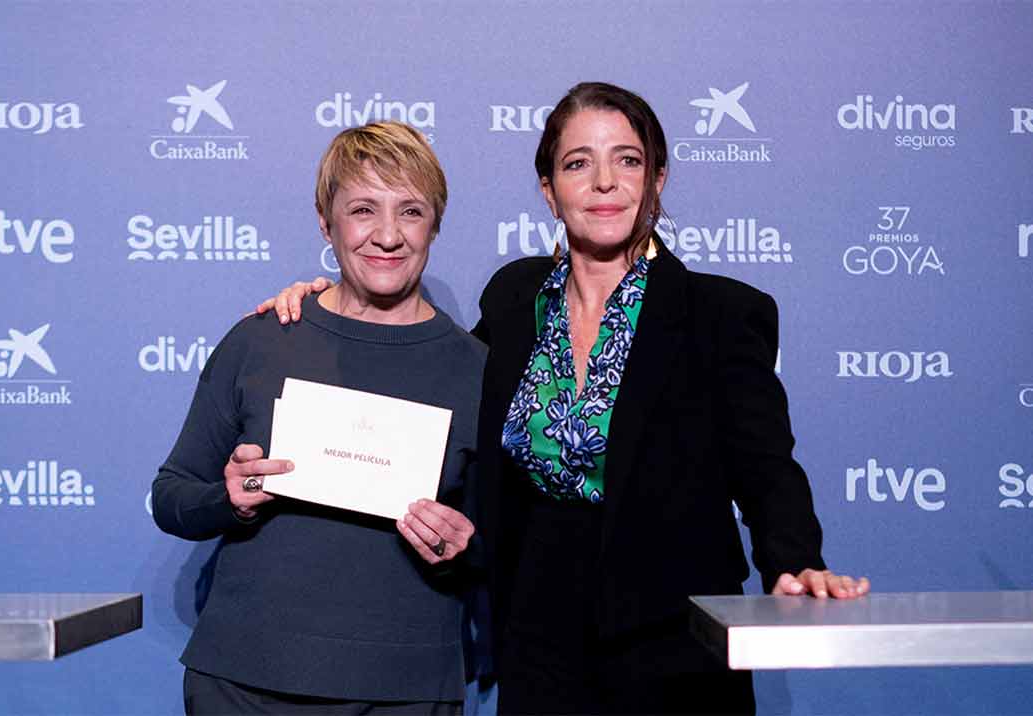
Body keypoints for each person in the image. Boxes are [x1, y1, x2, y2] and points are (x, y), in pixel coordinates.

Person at [259, 83, 869, 715]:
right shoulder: (514, 299)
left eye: (627, 160)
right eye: (578, 163)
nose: (605, 182)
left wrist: (796, 562)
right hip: (537, 641)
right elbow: (432, 391)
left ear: (657, 179)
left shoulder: (722, 314)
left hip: (675, 647)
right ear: (549, 190)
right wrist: (333, 302)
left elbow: (767, 468)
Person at [152, 121, 486, 715]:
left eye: (410, 211)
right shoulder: (262, 340)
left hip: (403, 693)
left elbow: (508, 543)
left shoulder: (478, 367)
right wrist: (229, 497)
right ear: (325, 220)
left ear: (436, 221)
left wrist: (469, 546)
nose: (387, 235)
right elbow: (171, 496)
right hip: (243, 685)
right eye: (363, 209)